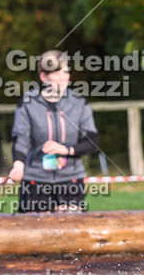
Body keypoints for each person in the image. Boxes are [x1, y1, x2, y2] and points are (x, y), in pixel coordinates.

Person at [8, 50, 99, 213]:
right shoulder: (28, 103)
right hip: (35, 181)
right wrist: (18, 165)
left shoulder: (79, 103)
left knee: (71, 234)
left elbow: (92, 142)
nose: (63, 77)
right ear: (43, 77)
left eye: (65, 71)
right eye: (57, 72)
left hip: (71, 180)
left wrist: (66, 150)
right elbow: (21, 139)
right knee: (34, 233)